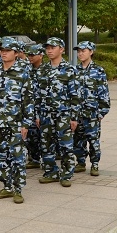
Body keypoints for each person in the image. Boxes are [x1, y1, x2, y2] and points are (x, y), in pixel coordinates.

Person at [0, 38, 34, 204]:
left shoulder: (22, 72)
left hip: (16, 124)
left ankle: (18, 189)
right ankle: (6, 186)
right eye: (2, 50)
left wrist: (26, 124)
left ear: (16, 53)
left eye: (8, 50)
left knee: (17, 157)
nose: (4, 53)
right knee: (0, 157)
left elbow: (28, 100)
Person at [36, 37, 80, 187]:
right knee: (46, 145)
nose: (49, 50)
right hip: (45, 114)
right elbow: (37, 94)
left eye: (53, 47)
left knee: (66, 146)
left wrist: (74, 117)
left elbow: (75, 95)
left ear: (61, 49)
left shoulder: (69, 70)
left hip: (63, 115)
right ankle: (51, 172)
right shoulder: (42, 69)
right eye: (47, 48)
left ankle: (66, 174)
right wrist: (37, 115)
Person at [73, 41, 110, 176]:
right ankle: (81, 162)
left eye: (83, 50)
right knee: (78, 140)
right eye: (79, 51)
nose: (80, 53)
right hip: (78, 114)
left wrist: (102, 112)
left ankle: (95, 164)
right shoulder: (74, 71)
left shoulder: (98, 71)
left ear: (91, 52)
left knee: (93, 140)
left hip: (93, 113)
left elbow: (104, 93)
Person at [25, 44, 45, 169]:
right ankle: (34, 158)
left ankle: (48, 160)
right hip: (30, 109)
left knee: (45, 136)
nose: (30, 57)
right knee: (31, 136)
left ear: (41, 55)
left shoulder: (46, 71)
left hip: (43, 108)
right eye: (29, 55)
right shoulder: (26, 70)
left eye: (33, 55)